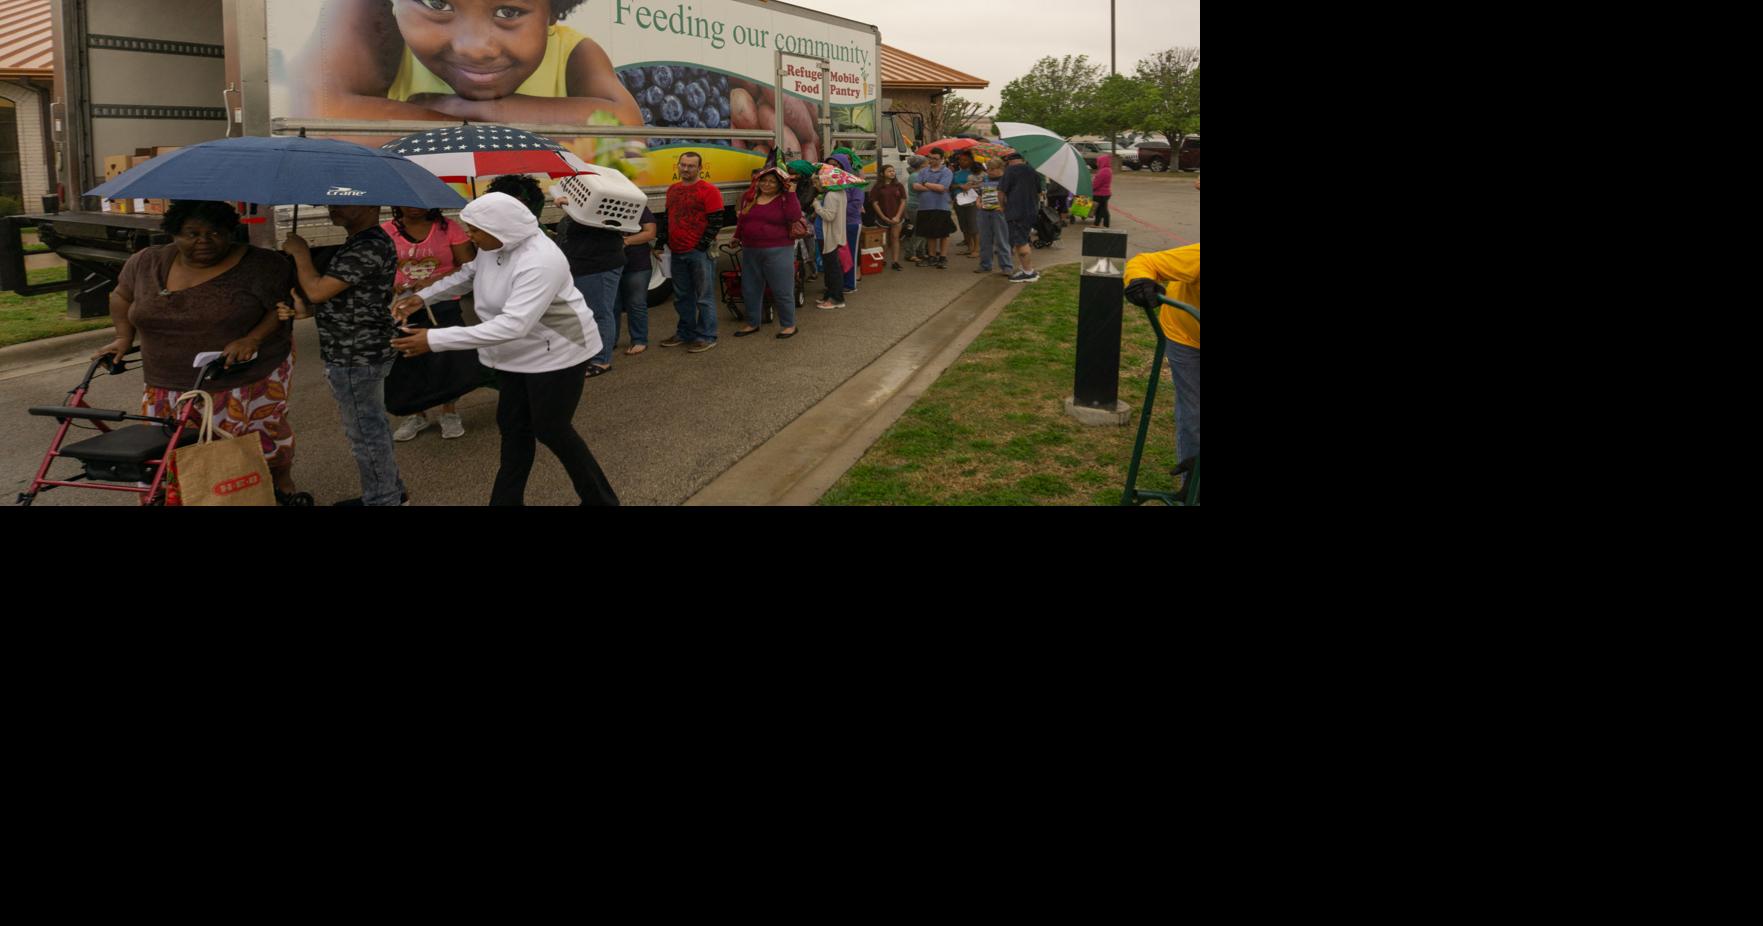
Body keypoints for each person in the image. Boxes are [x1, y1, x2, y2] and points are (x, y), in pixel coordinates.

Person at [389, 192, 619, 506]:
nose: (469, 236)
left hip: (558, 352)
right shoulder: (492, 245)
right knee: (513, 428)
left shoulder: (541, 260)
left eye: (474, 230)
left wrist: (433, 339)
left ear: (501, 229)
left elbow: (514, 325)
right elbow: (468, 274)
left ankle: (602, 501)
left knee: (552, 429)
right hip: (514, 354)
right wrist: (424, 296)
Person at [96, 200, 310, 506]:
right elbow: (120, 296)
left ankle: (279, 483)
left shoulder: (262, 264)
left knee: (260, 438)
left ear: (230, 232)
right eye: (191, 233)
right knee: (174, 444)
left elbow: (281, 309)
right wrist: (122, 337)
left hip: (244, 374)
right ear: (173, 233)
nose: (204, 241)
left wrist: (252, 338)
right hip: (166, 377)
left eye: (215, 232)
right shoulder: (146, 261)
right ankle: (193, 494)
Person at [293, 0, 640, 126]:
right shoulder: (371, 17)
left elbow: (626, 128)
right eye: (436, 4)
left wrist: (462, 109)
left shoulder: (573, 50)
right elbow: (324, 119)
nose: (475, 48)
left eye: (508, 12)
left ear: (552, 12)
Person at [280, 202, 410, 506]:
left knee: (365, 432)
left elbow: (317, 290)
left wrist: (300, 253)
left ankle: (383, 499)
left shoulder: (368, 245)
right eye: (332, 201)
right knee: (371, 426)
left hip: (356, 352)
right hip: (355, 347)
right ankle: (391, 491)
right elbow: (342, 298)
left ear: (371, 206)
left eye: (344, 201)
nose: (333, 207)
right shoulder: (361, 241)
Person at [384, 206, 477, 441]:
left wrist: (433, 281)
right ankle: (417, 413)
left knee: (447, 357)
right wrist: (393, 284)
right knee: (410, 359)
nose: (413, 209)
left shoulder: (449, 228)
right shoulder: (386, 231)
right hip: (404, 306)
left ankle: (449, 412)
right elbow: (379, 268)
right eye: (407, 203)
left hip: (445, 301)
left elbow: (469, 267)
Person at [1124, 243, 1200, 491]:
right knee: (1194, 411)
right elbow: (1146, 261)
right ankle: (1192, 486)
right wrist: (1139, 280)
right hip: (1186, 336)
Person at [554, 193, 627, 377]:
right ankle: (590, 354)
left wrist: (572, 207)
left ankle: (601, 360)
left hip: (598, 267)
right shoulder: (577, 210)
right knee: (587, 313)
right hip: (582, 267)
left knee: (600, 313)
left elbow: (593, 223)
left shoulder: (602, 208)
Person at [660, 151, 724, 353]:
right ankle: (685, 332)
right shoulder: (672, 190)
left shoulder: (709, 190)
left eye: (691, 166)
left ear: (700, 168)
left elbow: (716, 222)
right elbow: (667, 218)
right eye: (683, 165)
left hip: (698, 253)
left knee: (703, 297)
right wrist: (660, 243)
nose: (686, 169)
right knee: (682, 296)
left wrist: (701, 246)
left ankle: (707, 335)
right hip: (677, 252)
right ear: (678, 166)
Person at [731, 166, 802, 339]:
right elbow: (743, 220)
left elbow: (794, 216)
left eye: (772, 181)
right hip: (750, 249)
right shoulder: (751, 198)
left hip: (778, 249)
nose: (767, 184)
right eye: (764, 180)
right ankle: (752, 323)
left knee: (782, 289)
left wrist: (792, 193)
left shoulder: (785, 199)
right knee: (750, 289)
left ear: (779, 185)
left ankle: (789, 325)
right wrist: (736, 236)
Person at [614, 204, 658, 355]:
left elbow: (650, 232)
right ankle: (610, 341)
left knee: (636, 303)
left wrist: (626, 241)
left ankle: (639, 340)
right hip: (609, 265)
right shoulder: (599, 206)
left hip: (637, 264)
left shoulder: (636, 205)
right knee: (612, 305)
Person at [998, 151, 1041, 283]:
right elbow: (1039, 192)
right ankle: (1027, 269)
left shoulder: (1010, 171)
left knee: (1020, 242)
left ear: (1010, 161)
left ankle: (1028, 272)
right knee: (1024, 238)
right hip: (1031, 210)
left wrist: (1002, 207)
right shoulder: (1033, 171)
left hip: (1016, 211)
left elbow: (1001, 192)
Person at [811, 170, 849, 309]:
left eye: (817, 181)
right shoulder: (838, 192)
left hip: (828, 236)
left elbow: (829, 216)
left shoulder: (831, 195)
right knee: (831, 267)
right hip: (827, 235)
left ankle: (836, 299)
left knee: (833, 268)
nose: (815, 185)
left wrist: (816, 205)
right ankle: (829, 295)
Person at [911, 148, 954, 269]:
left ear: (941, 159)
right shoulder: (924, 171)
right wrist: (932, 187)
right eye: (930, 158)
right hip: (925, 207)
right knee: (930, 234)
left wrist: (925, 184)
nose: (932, 160)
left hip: (941, 207)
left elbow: (942, 188)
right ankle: (932, 256)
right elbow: (915, 185)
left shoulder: (946, 172)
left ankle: (943, 258)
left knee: (943, 234)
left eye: (935, 158)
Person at [829, 150, 864, 293]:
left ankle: (850, 284)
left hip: (851, 224)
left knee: (850, 254)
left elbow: (856, 205)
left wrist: (836, 210)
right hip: (835, 224)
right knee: (838, 256)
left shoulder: (854, 182)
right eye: (830, 165)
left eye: (837, 165)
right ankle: (839, 282)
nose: (833, 167)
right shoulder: (829, 182)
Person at [973, 158, 1013, 277]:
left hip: (998, 212)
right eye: (989, 169)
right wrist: (978, 201)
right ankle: (985, 265)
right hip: (984, 211)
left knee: (1001, 239)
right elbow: (980, 194)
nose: (990, 172)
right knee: (985, 239)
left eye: (993, 169)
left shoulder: (1006, 181)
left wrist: (1004, 206)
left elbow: (1010, 196)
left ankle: (1006, 266)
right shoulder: (985, 180)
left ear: (1001, 169)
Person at [870, 164, 907, 272]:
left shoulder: (899, 185)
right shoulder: (877, 186)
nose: (892, 173)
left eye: (893, 171)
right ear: (882, 173)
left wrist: (898, 216)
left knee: (895, 238)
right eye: (889, 171)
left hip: (897, 217)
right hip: (882, 217)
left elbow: (903, 200)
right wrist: (883, 217)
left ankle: (895, 262)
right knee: (883, 241)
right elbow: (874, 203)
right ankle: (882, 259)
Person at [950, 151, 980, 258]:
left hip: (972, 201)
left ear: (971, 161)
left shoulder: (976, 172)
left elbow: (981, 185)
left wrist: (972, 186)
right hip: (958, 201)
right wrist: (959, 186)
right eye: (960, 160)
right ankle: (969, 247)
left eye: (965, 160)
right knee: (964, 226)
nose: (962, 162)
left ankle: (977, 249)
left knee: (973, 225)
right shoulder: (956, 173)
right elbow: (951, 186)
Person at [1091, 153, 1114, 228]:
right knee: (1102, 209)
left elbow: (1096, 184)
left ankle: (1102, 224)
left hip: (1100, 194)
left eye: (1098, 162)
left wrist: (1091, 188)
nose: (1097, 164)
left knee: (1101, 210)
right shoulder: (1108, 170)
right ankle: (1101, 224)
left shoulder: (1103, 171)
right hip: (1105, 193)